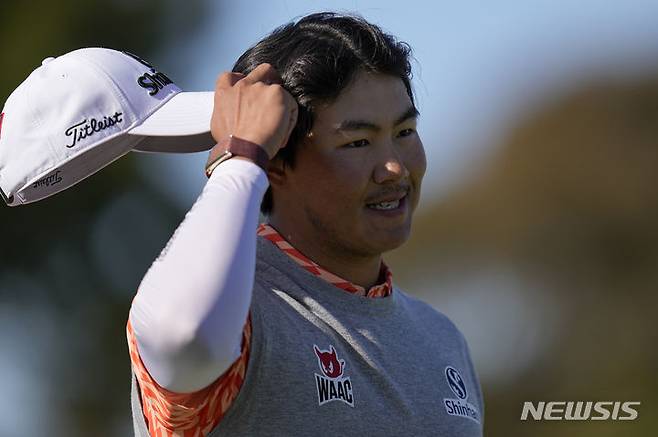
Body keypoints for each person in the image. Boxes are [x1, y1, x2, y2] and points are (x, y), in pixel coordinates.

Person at [127, 11, 484, 437]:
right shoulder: (239, 315)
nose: (393, 168)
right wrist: (241, 155)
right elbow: (182, 333)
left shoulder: (443, 339)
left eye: (405, 132)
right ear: (276, 160)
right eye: (358, 142)